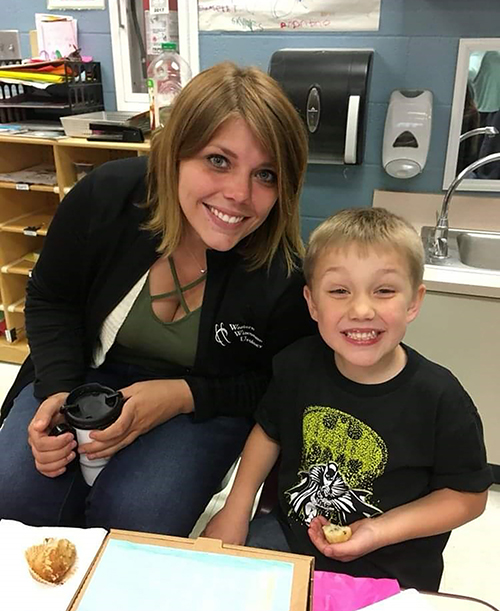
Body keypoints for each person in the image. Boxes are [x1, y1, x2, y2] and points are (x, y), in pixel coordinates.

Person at [0, 62, 317, 535]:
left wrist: (180, 396)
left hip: (205, 395)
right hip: (88, 370)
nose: (239, 194)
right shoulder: (108, 196)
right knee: (14, 493)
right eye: (218, 160)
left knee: (139, 517)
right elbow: (52, 297)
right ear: (175, 153)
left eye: (266, 174)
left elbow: (279, 385)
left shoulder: (283, 270)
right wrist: (59, 391)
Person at [204, 207, 493, 591]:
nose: (361, 310)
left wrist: (377, 530)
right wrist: (236, 509)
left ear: (413, 301)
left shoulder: (441, 398)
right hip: (291, 539)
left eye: (384, 290)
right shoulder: (296, 365)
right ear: (312, 303)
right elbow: (269, 432)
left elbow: (468, 497)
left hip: (392, 565)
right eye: (339, 291)